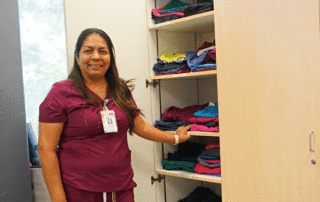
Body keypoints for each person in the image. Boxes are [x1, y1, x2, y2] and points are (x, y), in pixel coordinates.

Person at [38, 28, 192, 202]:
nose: (96, 56)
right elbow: (46, 149)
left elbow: (140, 126)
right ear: (77, 57)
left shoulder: (119, 89)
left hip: (121, 189)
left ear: (110, 58)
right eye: (88, 51)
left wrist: (175, 139)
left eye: (103, 51)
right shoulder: (60, 93)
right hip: (79, 191)